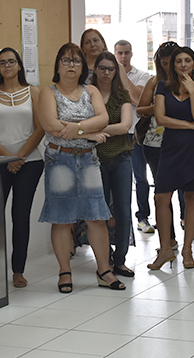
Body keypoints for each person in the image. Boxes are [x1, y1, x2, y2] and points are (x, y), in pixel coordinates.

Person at [36, 43, 124, 293]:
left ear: (83, 67)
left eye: (76, 61)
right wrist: (87, 134)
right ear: (57, 66)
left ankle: (104, 270)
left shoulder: (91, 90)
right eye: (65, 60)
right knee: (62, 218)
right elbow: (51, 125)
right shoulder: (48, 93)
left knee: (97, 216)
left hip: (88, 161)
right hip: (59, 160)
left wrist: (77, 129)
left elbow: (103, 119)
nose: (71, 65)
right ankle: (65, 271)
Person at [0, 48, 44, 288]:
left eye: (11, 61)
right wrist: (8, 158)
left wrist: (19, 156)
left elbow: (40, 128)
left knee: (20, 216)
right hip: (0, 163)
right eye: (2, 63)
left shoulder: (34, 92)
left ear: (19, 65)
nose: (7, 66)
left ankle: (18, 270)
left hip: (29, 163)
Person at [149, 45, 194, 270]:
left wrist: (193, 91)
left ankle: (187, 249)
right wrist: (190, 125)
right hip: (170, 148)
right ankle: (166, 249)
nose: (183, 64)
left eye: (188, 60)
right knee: (161, 198)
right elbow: (160, 118)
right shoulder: (163, 87)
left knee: (192, 198)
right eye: (179, 61)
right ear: (173, 65)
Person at [93, 51, 135, 276]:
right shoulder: (88, 94)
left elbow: (125, 126)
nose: (107, 73)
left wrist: (95, 128)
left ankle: (120, 260)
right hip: (94, 160)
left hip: (121, 158)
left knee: (122, 210)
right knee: (99, 213)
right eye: (102, 68)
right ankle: (104, 260)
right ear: (95, 70)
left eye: (111, 69)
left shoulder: (122, 96)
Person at [137, 41, 181, 253]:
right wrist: (157, 107)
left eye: (171, 62)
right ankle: (168, 239)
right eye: (163, 63)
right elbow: (140, 109)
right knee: (162, 192)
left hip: (182, 144)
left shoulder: (188, 83)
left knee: (188, 191)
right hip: (154, 143)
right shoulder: (154, 82)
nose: (168, 67)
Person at [114, 39, 154, 234]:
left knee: (141, 178)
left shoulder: (142, 76)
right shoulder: (107, 76)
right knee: (120, 181)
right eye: (119, 53)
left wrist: (122, 76)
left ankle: (143, 217)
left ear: (132, 53)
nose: (123, 57)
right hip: (117, 136)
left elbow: (138, 99)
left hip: (137, 136)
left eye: (126, 53)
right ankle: (121, 222)